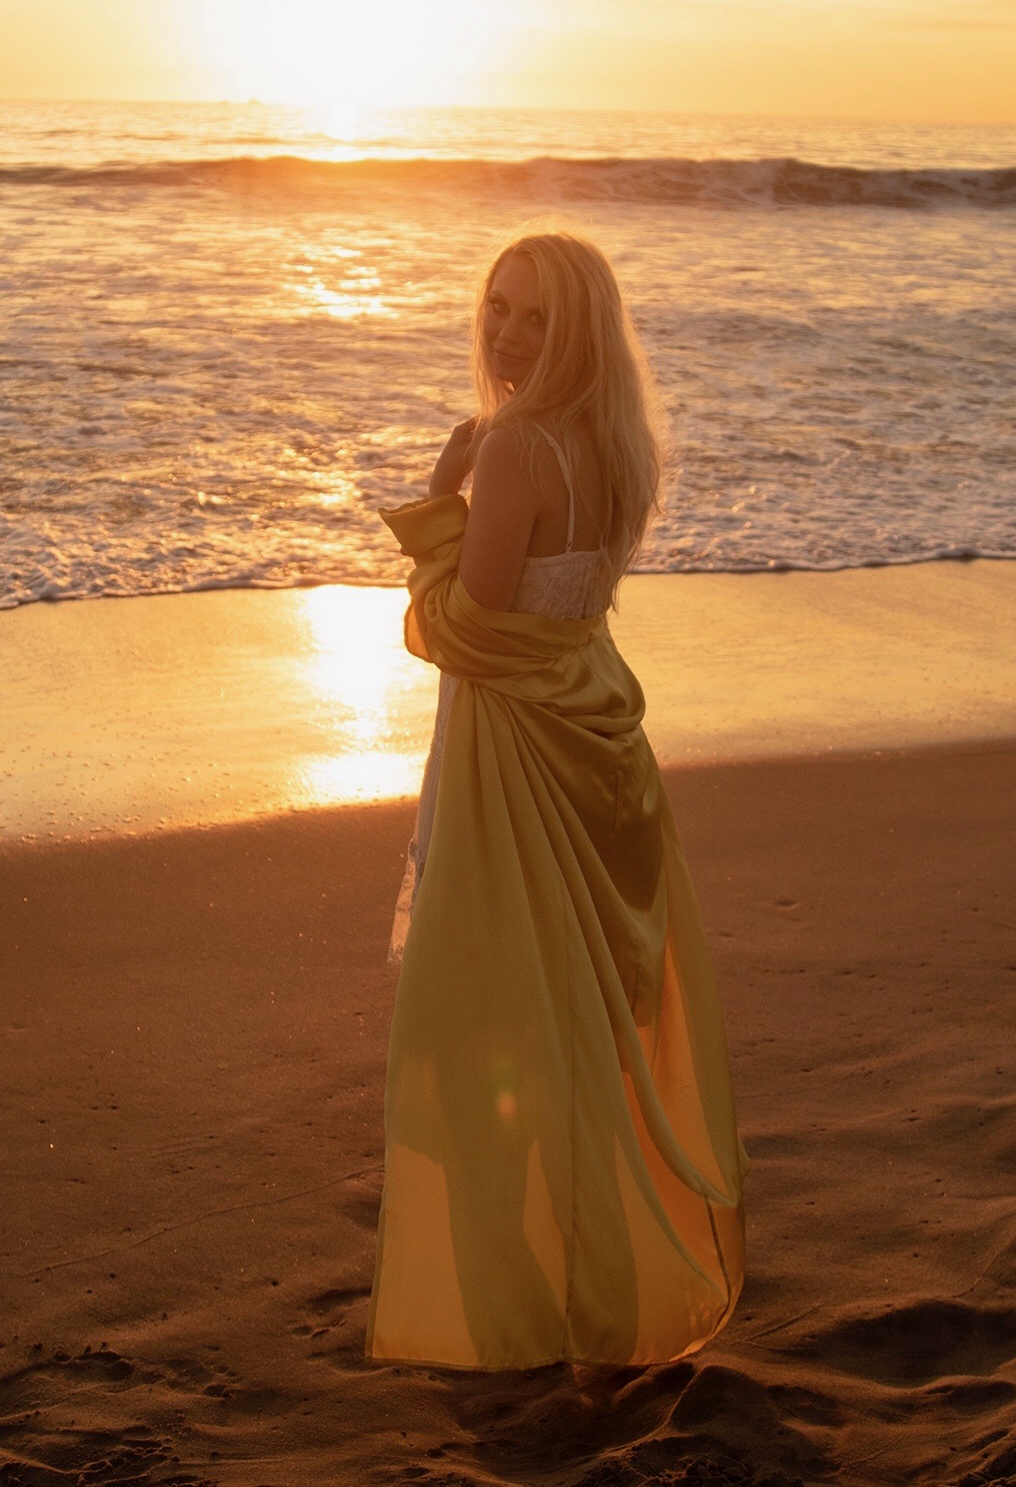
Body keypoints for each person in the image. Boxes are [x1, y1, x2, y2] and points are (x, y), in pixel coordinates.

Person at [365, 226, 748, 1372]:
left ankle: (521, 1313)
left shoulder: (520, 446)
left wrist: (434, 496)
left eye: (535, 314)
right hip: (600, 739)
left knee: (496, 1023)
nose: (508, 332)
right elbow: (572, 608)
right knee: (580, 1024)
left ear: (576, 328)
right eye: (496, 307)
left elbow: (472, 624)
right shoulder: (619, 441)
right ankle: (595, 1282)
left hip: (519, 757)